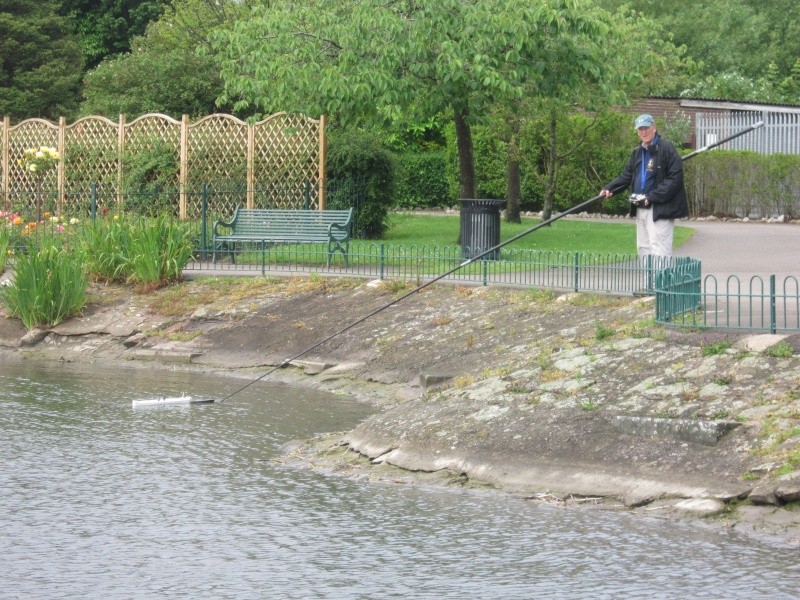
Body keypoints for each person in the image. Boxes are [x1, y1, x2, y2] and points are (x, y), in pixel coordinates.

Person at [599, 114, 688, 257]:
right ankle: (648, 281)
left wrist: (652, 197)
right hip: (641, 208)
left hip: (659, 210)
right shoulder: (637, 153)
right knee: (643, 249)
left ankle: (660, 280)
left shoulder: (666, 149)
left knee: (660, 251)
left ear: (654, 128)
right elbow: (627, 176)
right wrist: (609, 188)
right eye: (640, 129)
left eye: (646, 128)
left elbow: (675, 179)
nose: (644, 132)